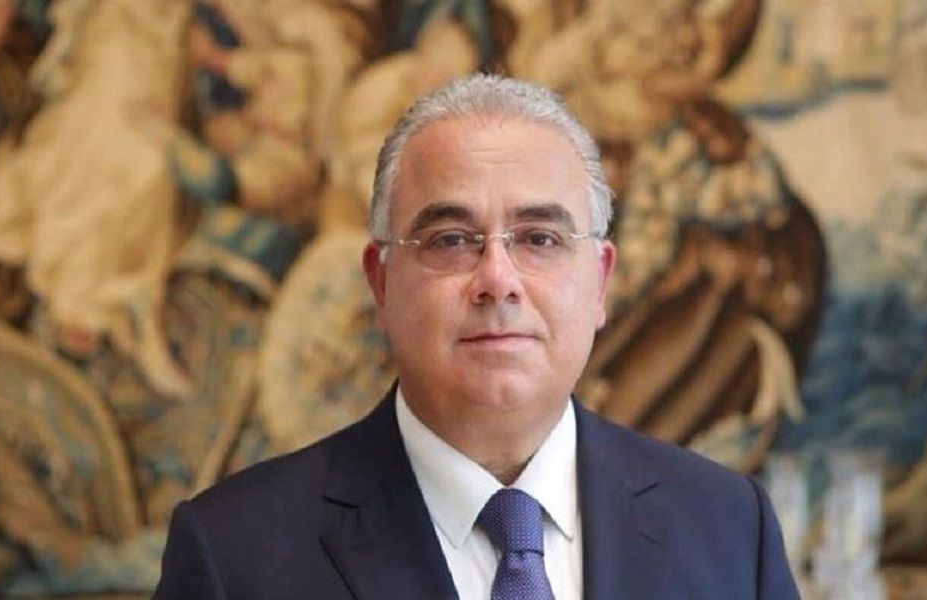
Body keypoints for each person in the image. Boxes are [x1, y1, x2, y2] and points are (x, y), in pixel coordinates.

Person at [154, 74, 800, 599]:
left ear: (600, 282)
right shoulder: (233, 556)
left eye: (540, 239)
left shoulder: (729, 528)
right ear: (381, 283)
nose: (498, 280)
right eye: (451, 240)